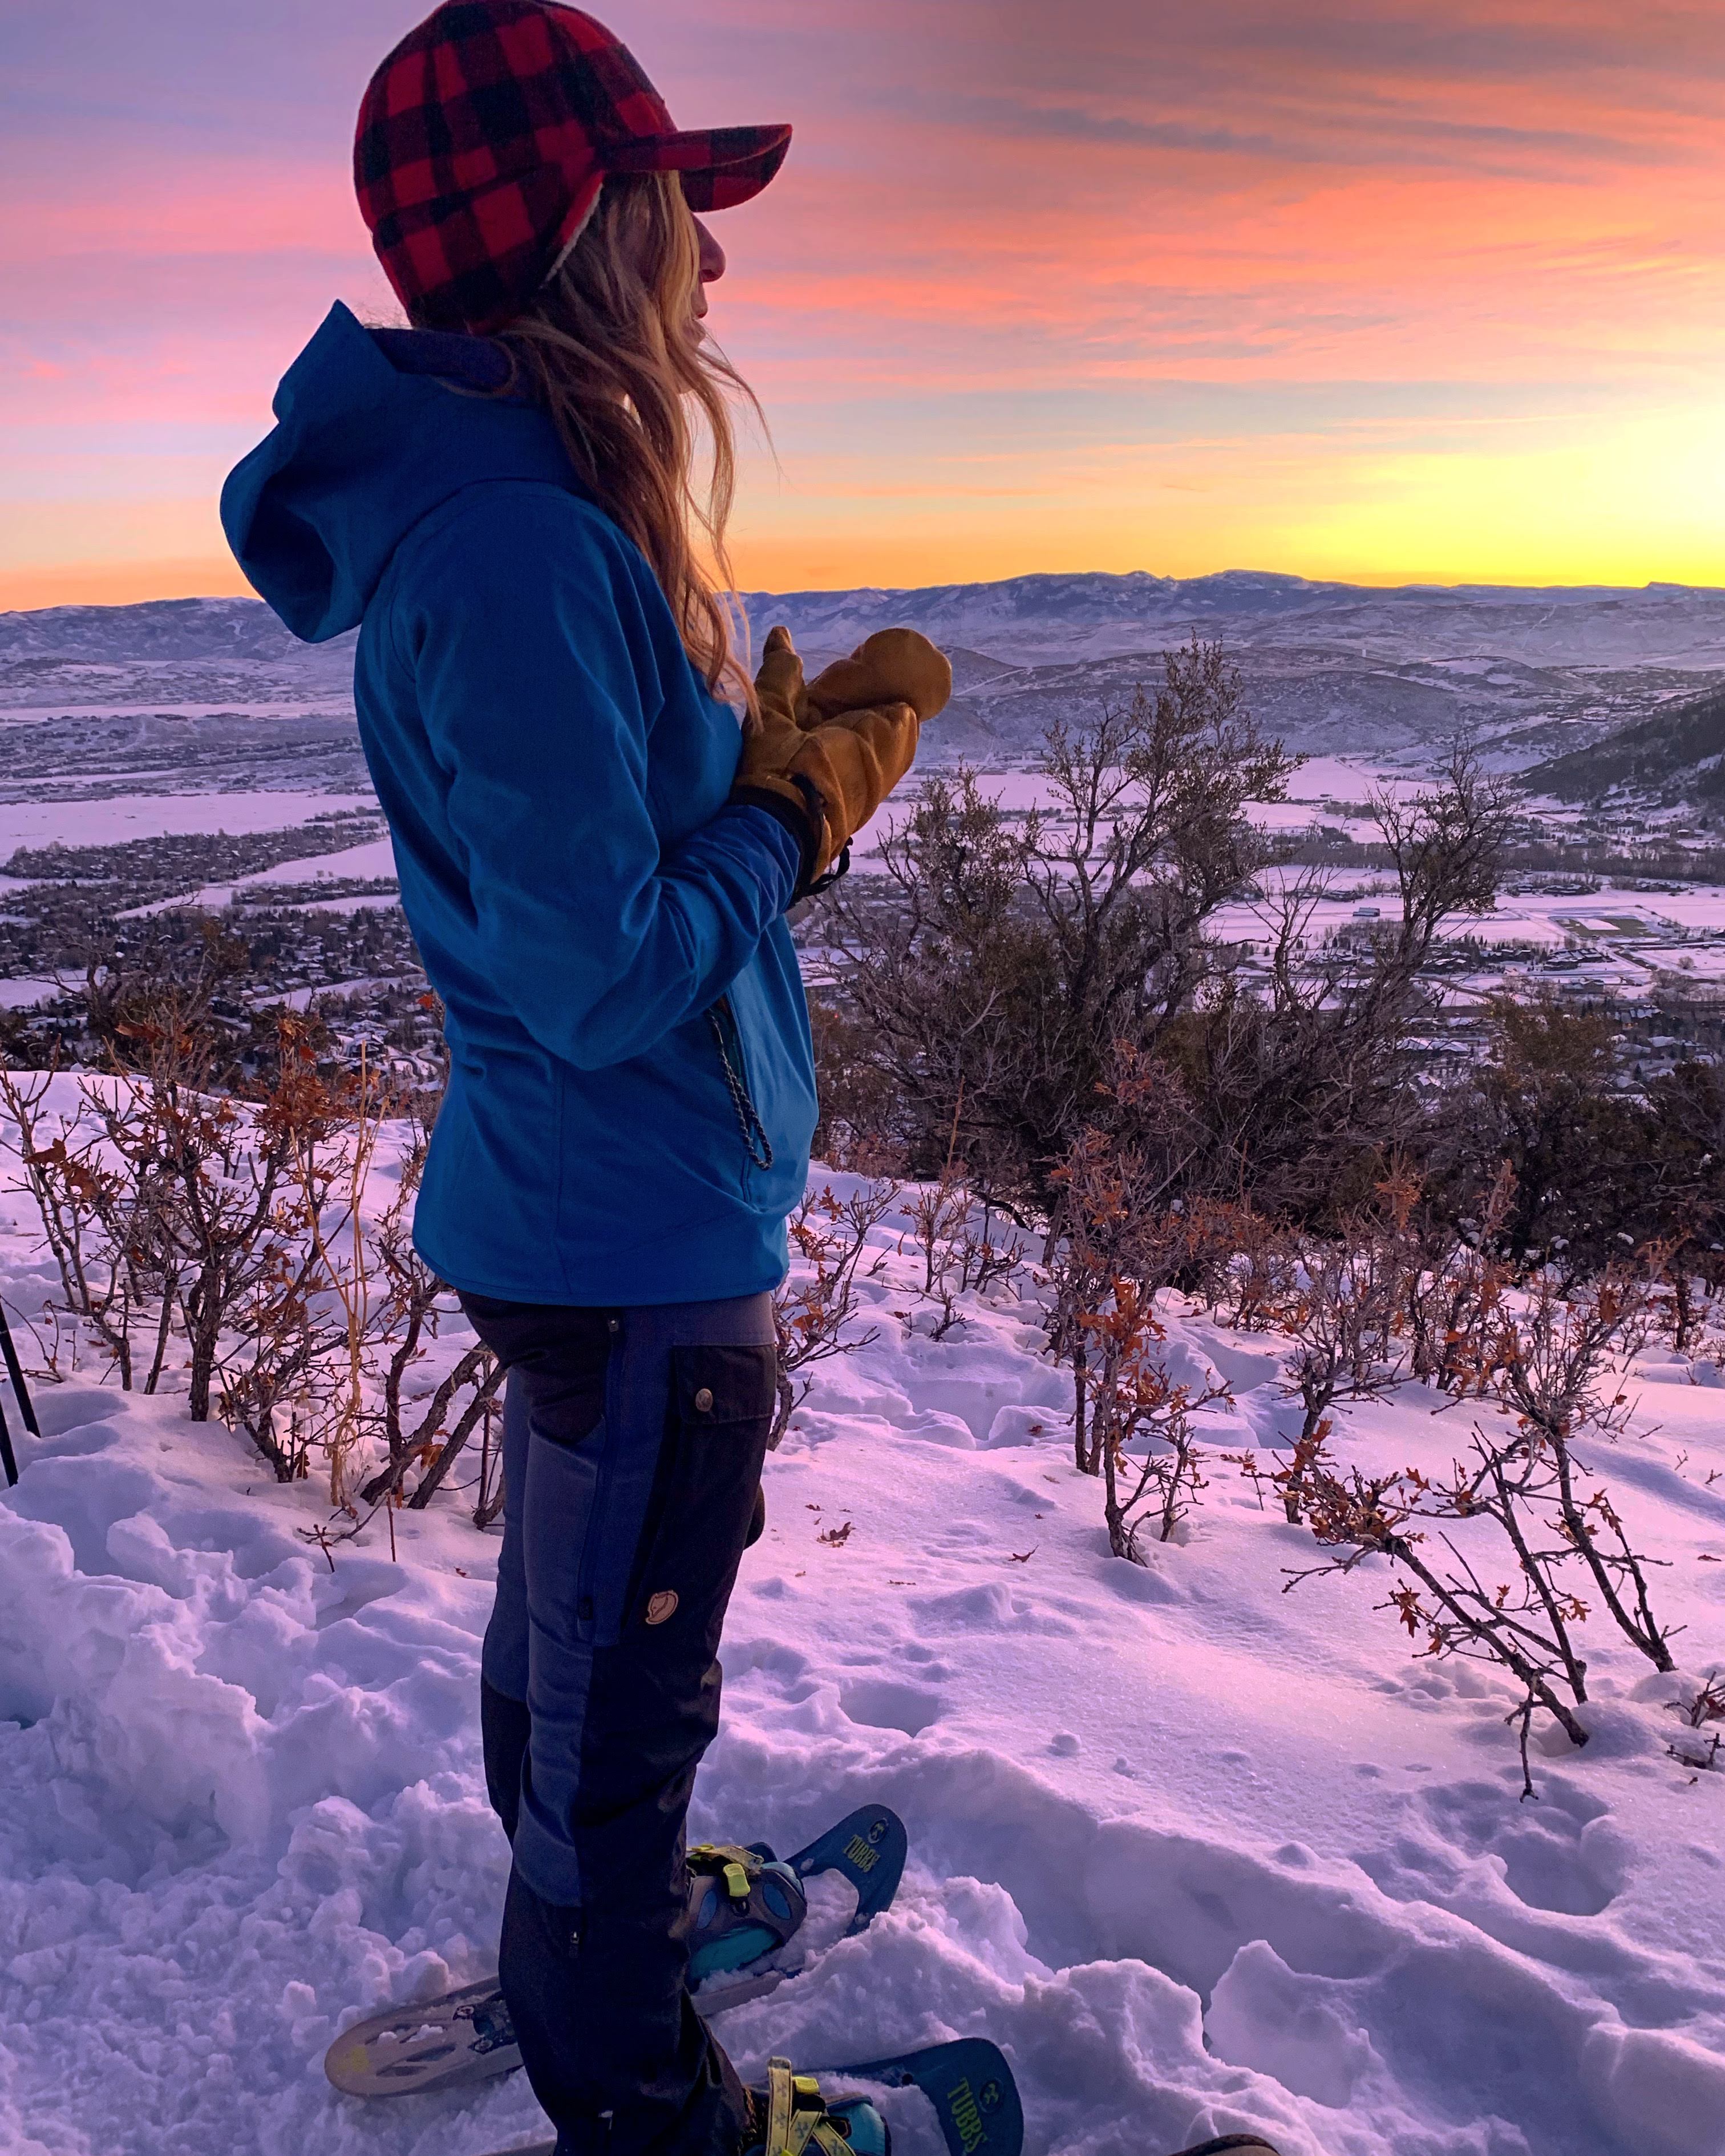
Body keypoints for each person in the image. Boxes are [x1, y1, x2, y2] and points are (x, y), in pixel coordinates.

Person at [221, 5, 951, 2151]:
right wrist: (799, 817)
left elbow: (578, 870)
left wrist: (729, 768)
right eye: (679, 217)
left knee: (574, 1663)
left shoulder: (517, 508)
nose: (712, 268)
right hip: (632, 1235)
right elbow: (602, 962)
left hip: (581, 1211)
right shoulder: (527, 547)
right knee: (617, 1722)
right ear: (588, 237)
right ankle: (639, 2063)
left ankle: (601, 1899)